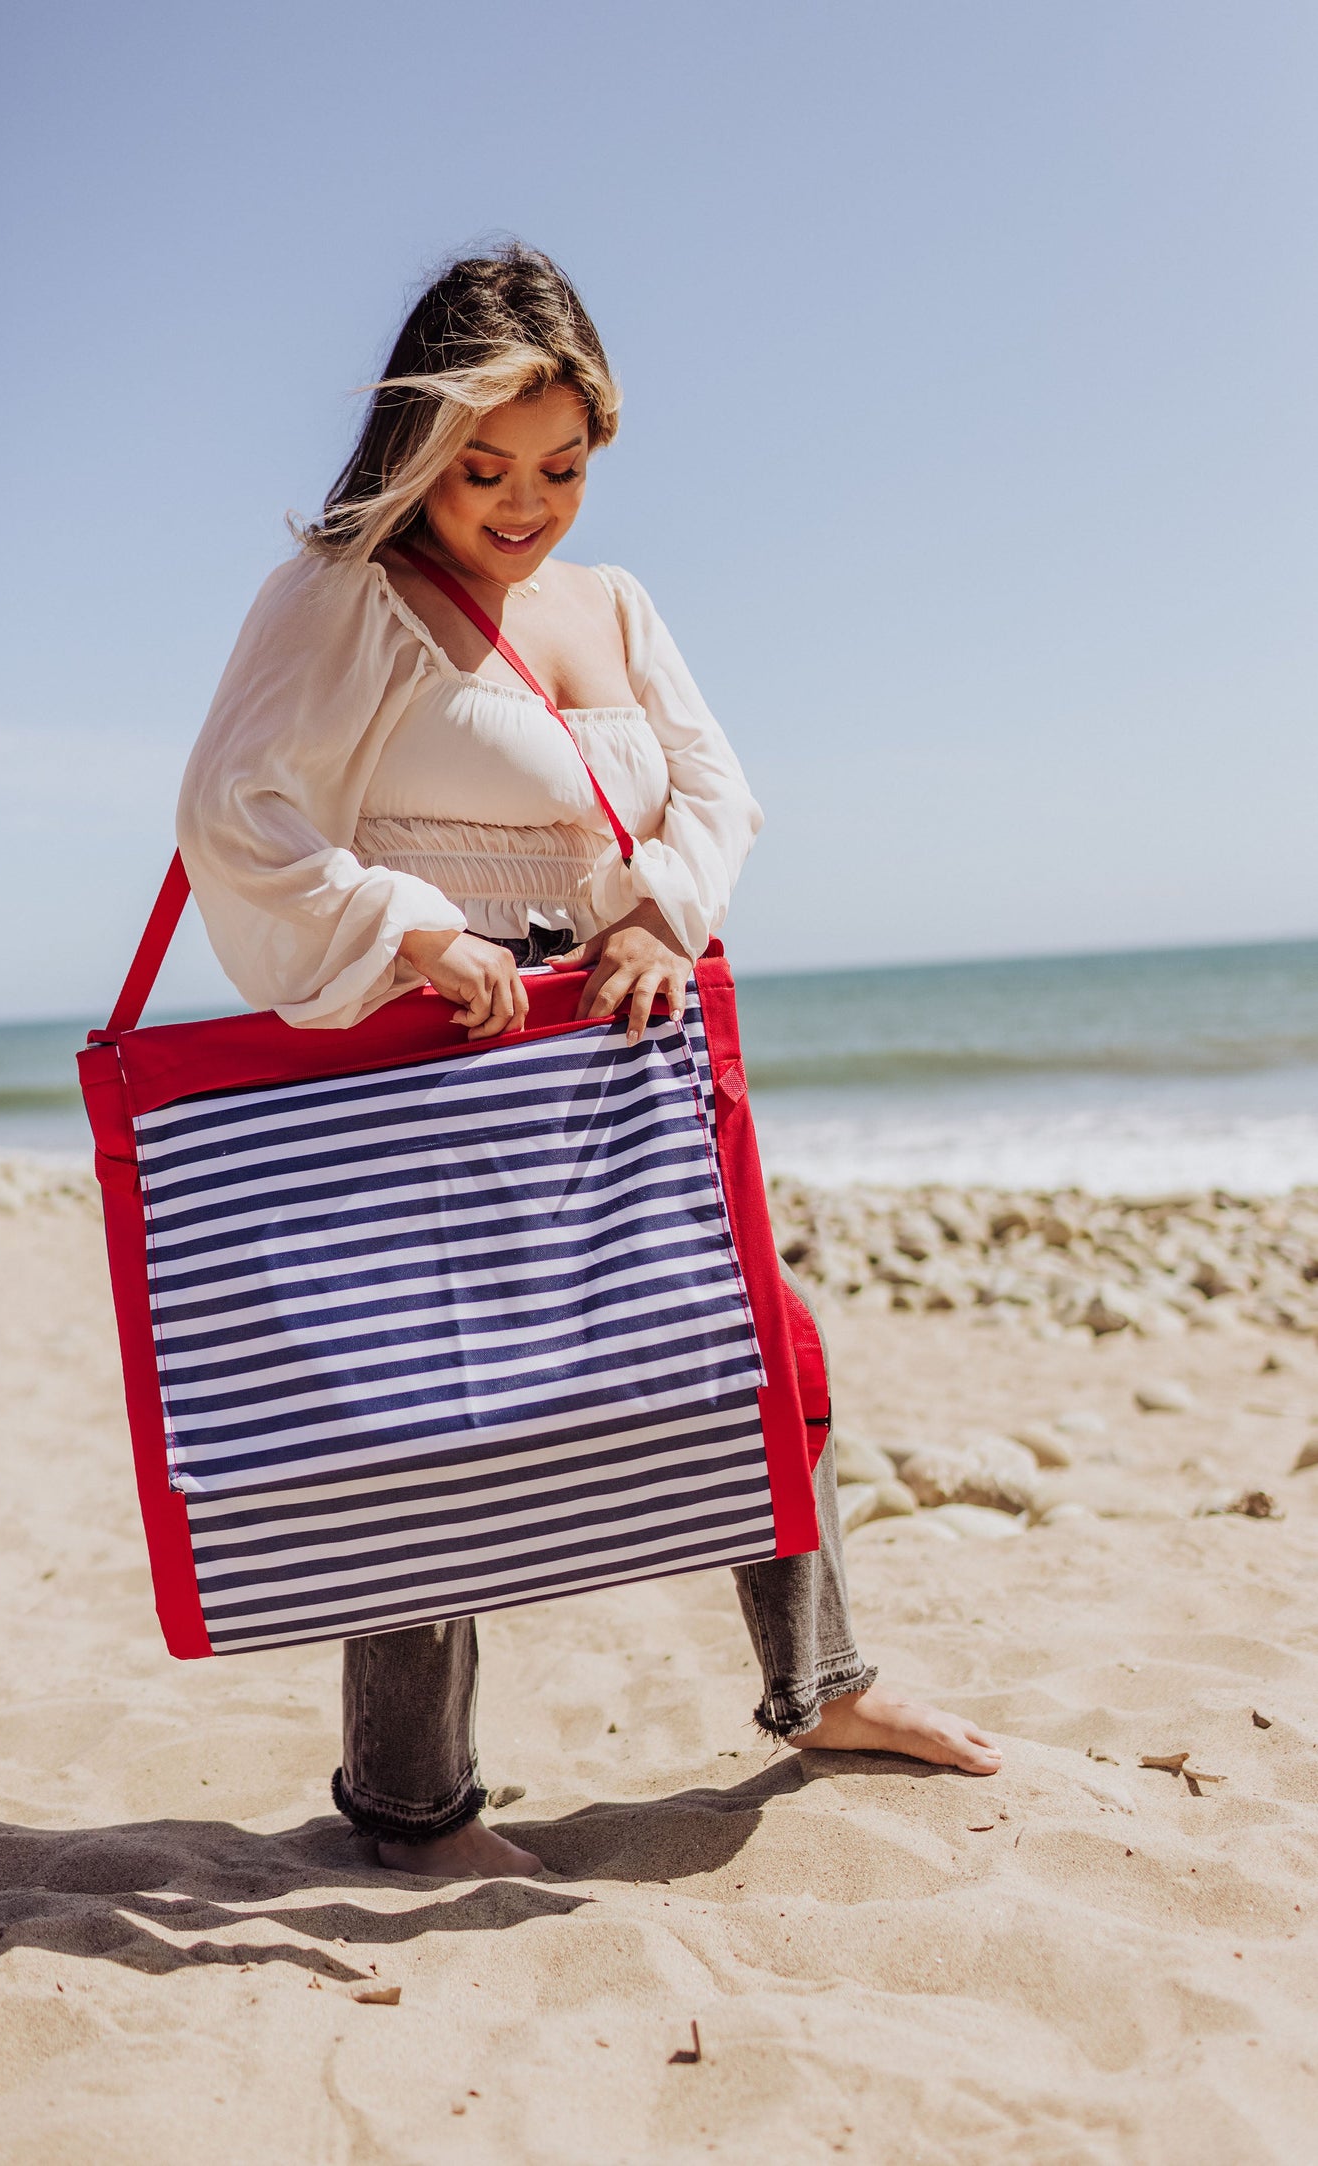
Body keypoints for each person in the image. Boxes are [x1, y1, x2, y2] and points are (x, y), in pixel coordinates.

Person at [177, 243, 1001, 1878]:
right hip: (430, 1057)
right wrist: (412, 925)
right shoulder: (338, 591)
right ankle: (411, 1803)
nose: (521, 501)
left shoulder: (617, 603)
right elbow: (232, 812)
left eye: (558, 465)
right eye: (481, 466)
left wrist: (656, 921)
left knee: (752, 1346)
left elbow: (717, 797)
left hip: (622, 1041)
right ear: (418, 442)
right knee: (434, 1405)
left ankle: (820, 1683)